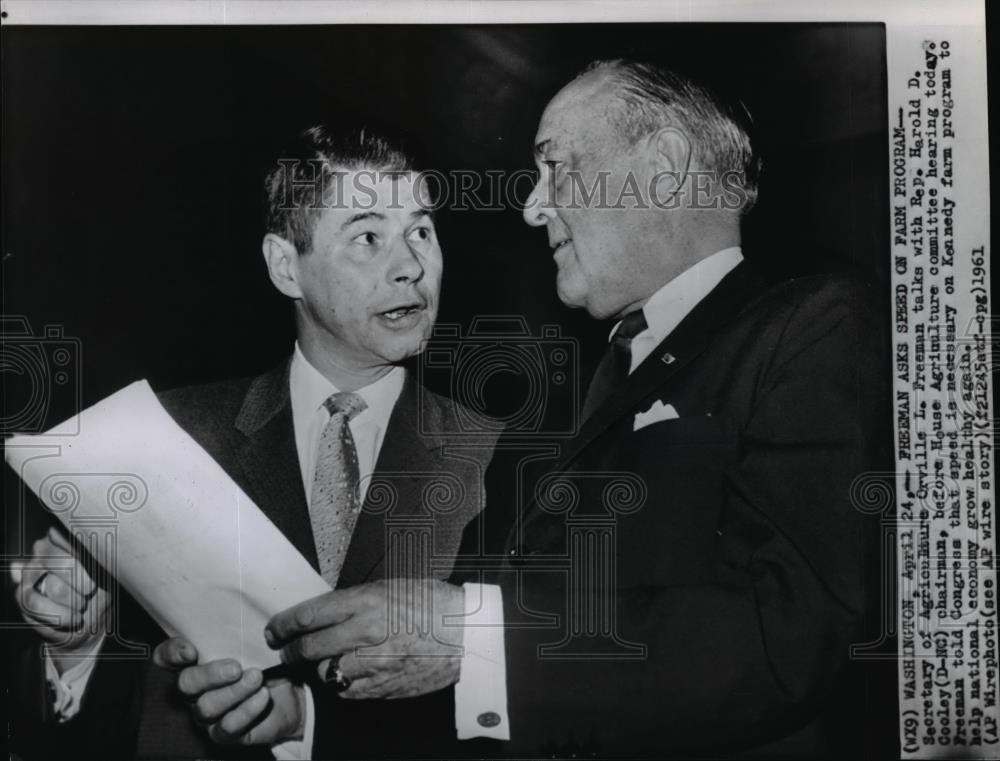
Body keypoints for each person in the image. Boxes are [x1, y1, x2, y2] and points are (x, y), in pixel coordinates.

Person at [261, 60, 884, 758]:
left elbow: (796, 637)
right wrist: (307, 724)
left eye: (554, 166)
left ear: (665, 166)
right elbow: (541, 689)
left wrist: (472, 631)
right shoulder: (604, 378)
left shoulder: (817, 324)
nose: (532, 205)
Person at [9, 125, 498, 759]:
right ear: (285, 265)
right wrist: (75, 648)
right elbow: (99, 727)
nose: (410, 266)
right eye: (368, 236)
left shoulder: (500, 458)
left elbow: (525, 705)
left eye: (422, 231)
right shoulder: (163, 442)